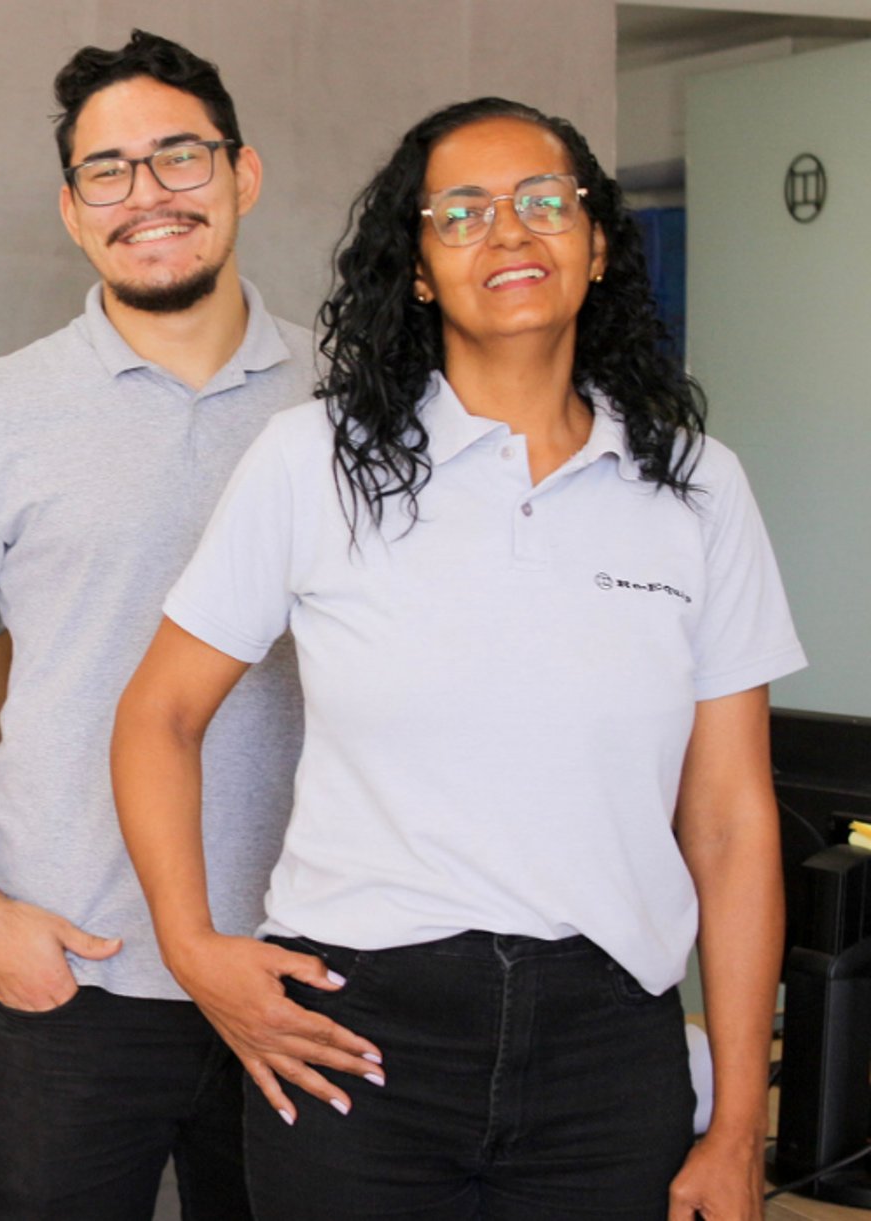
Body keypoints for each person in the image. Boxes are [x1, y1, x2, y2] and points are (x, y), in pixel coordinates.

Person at [114, 96, 803, 1220]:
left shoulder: (697, 486)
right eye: (464, 212)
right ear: (420, 269)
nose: (511, 233)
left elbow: (730, 819)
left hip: (608, 1045)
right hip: (359, 1030)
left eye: (545, 203)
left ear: (595, 244)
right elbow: (157, 717)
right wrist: (194, 949)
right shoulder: (316, 461)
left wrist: (734, 1126)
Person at [0, 30, 315, 1220]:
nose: (146, 196)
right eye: (109, 170)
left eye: (179, 159)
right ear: (71, 208)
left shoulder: (352, 395)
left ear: (243, 174)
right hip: (68, 981)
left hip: (310, 972)